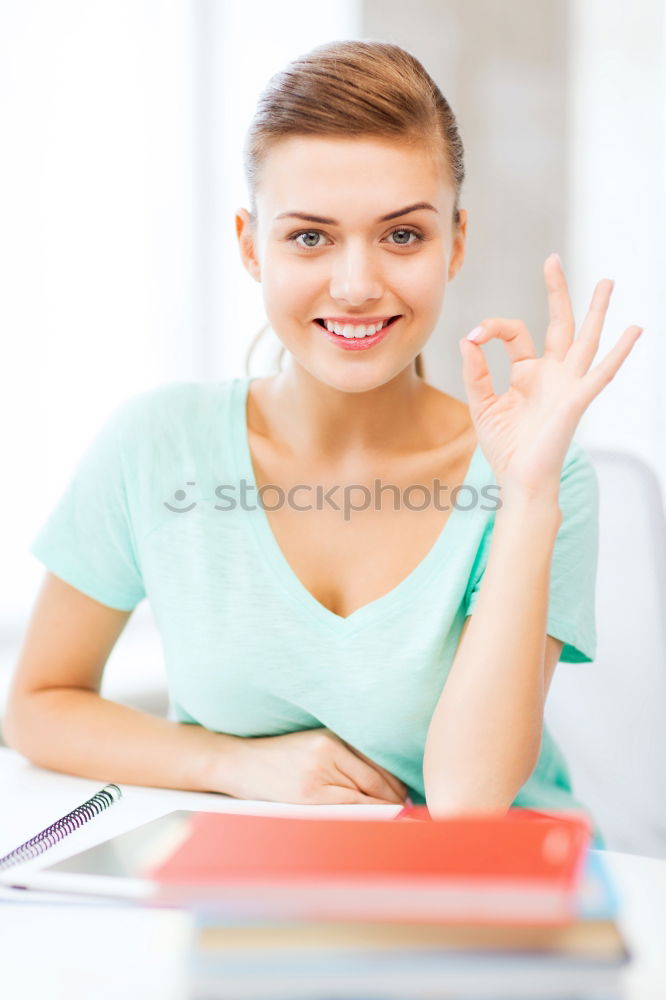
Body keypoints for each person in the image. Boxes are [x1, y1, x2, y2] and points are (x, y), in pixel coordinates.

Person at [3, 41, 642, 846]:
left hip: (498, 898)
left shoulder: (543, 478)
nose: (355, 284)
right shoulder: (155, 448)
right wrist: (234, 765)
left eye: (402, 237)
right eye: (309, 238)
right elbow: (38, 705)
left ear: (456, 241)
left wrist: (526, 496)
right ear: (249, 244)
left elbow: (470, 798)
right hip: (257, 885)